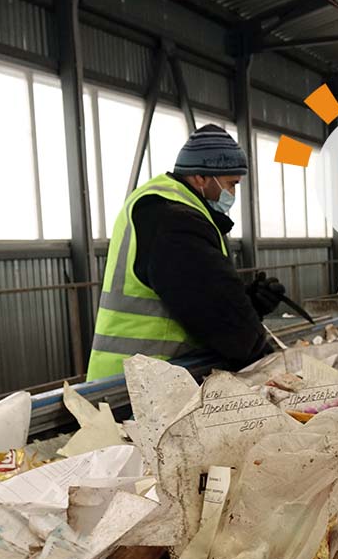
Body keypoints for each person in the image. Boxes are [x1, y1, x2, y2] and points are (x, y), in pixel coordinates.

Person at [87, 124, 281, 381]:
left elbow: (194, 292)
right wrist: (271, 368)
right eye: (230, 184)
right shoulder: (173, 220)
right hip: (135, 387)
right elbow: (215, 313)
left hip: (149, 376)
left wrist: (248, 303)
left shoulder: (170, 207)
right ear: (200, 177)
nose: (232, 193)